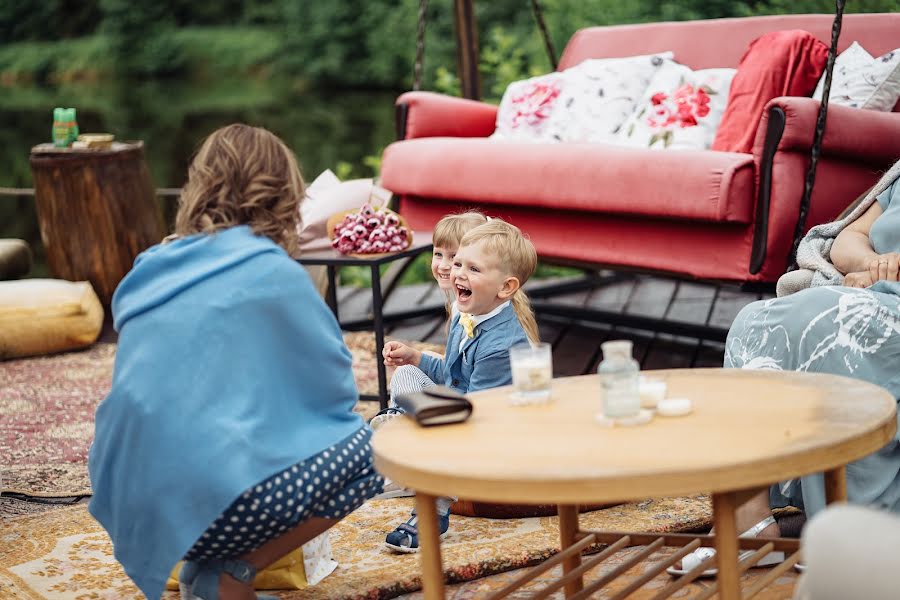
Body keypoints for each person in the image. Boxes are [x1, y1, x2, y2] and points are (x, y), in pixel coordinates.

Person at [88, 124, 383, 600]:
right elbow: (336, 389)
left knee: (216, 438)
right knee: (376, 450)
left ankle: (201, 569)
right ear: (285, 193)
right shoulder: (273, 272)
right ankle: (231, 572)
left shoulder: (153, 263)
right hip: (217, 502)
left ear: (199, 185)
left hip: (128, 488)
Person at [671, 159, 900, 577]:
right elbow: (849, 238)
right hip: (865, 289)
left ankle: (850, 531)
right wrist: (870, 265)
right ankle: (752, 526)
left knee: (832, 324)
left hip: (884, 304)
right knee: (755, 322)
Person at [378, 218, 540, 552]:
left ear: (506, 287)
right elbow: (453, 377)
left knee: (448, 431)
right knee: (407, 375)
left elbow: (477, 412)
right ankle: (406, 428)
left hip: (496, 431)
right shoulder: (465, 313)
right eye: (458, 264)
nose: (457, 274)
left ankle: (432, 513)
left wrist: (429, 411)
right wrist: (417, 358)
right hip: (465, 406)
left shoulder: (502, 343)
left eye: (473, 269)